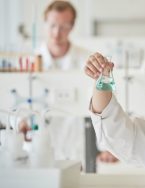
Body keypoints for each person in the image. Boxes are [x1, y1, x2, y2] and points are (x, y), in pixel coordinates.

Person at [19, 0, 118, 166]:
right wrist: (18, 122)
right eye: (52, 25)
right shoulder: (27, 63)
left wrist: (108, 147)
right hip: (35, 152)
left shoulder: (88, 61)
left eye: (64, 26)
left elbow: (103, 106)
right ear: (44, 24)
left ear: (72, 27)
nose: (57, 33)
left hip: (76, 150)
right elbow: (12, 105)